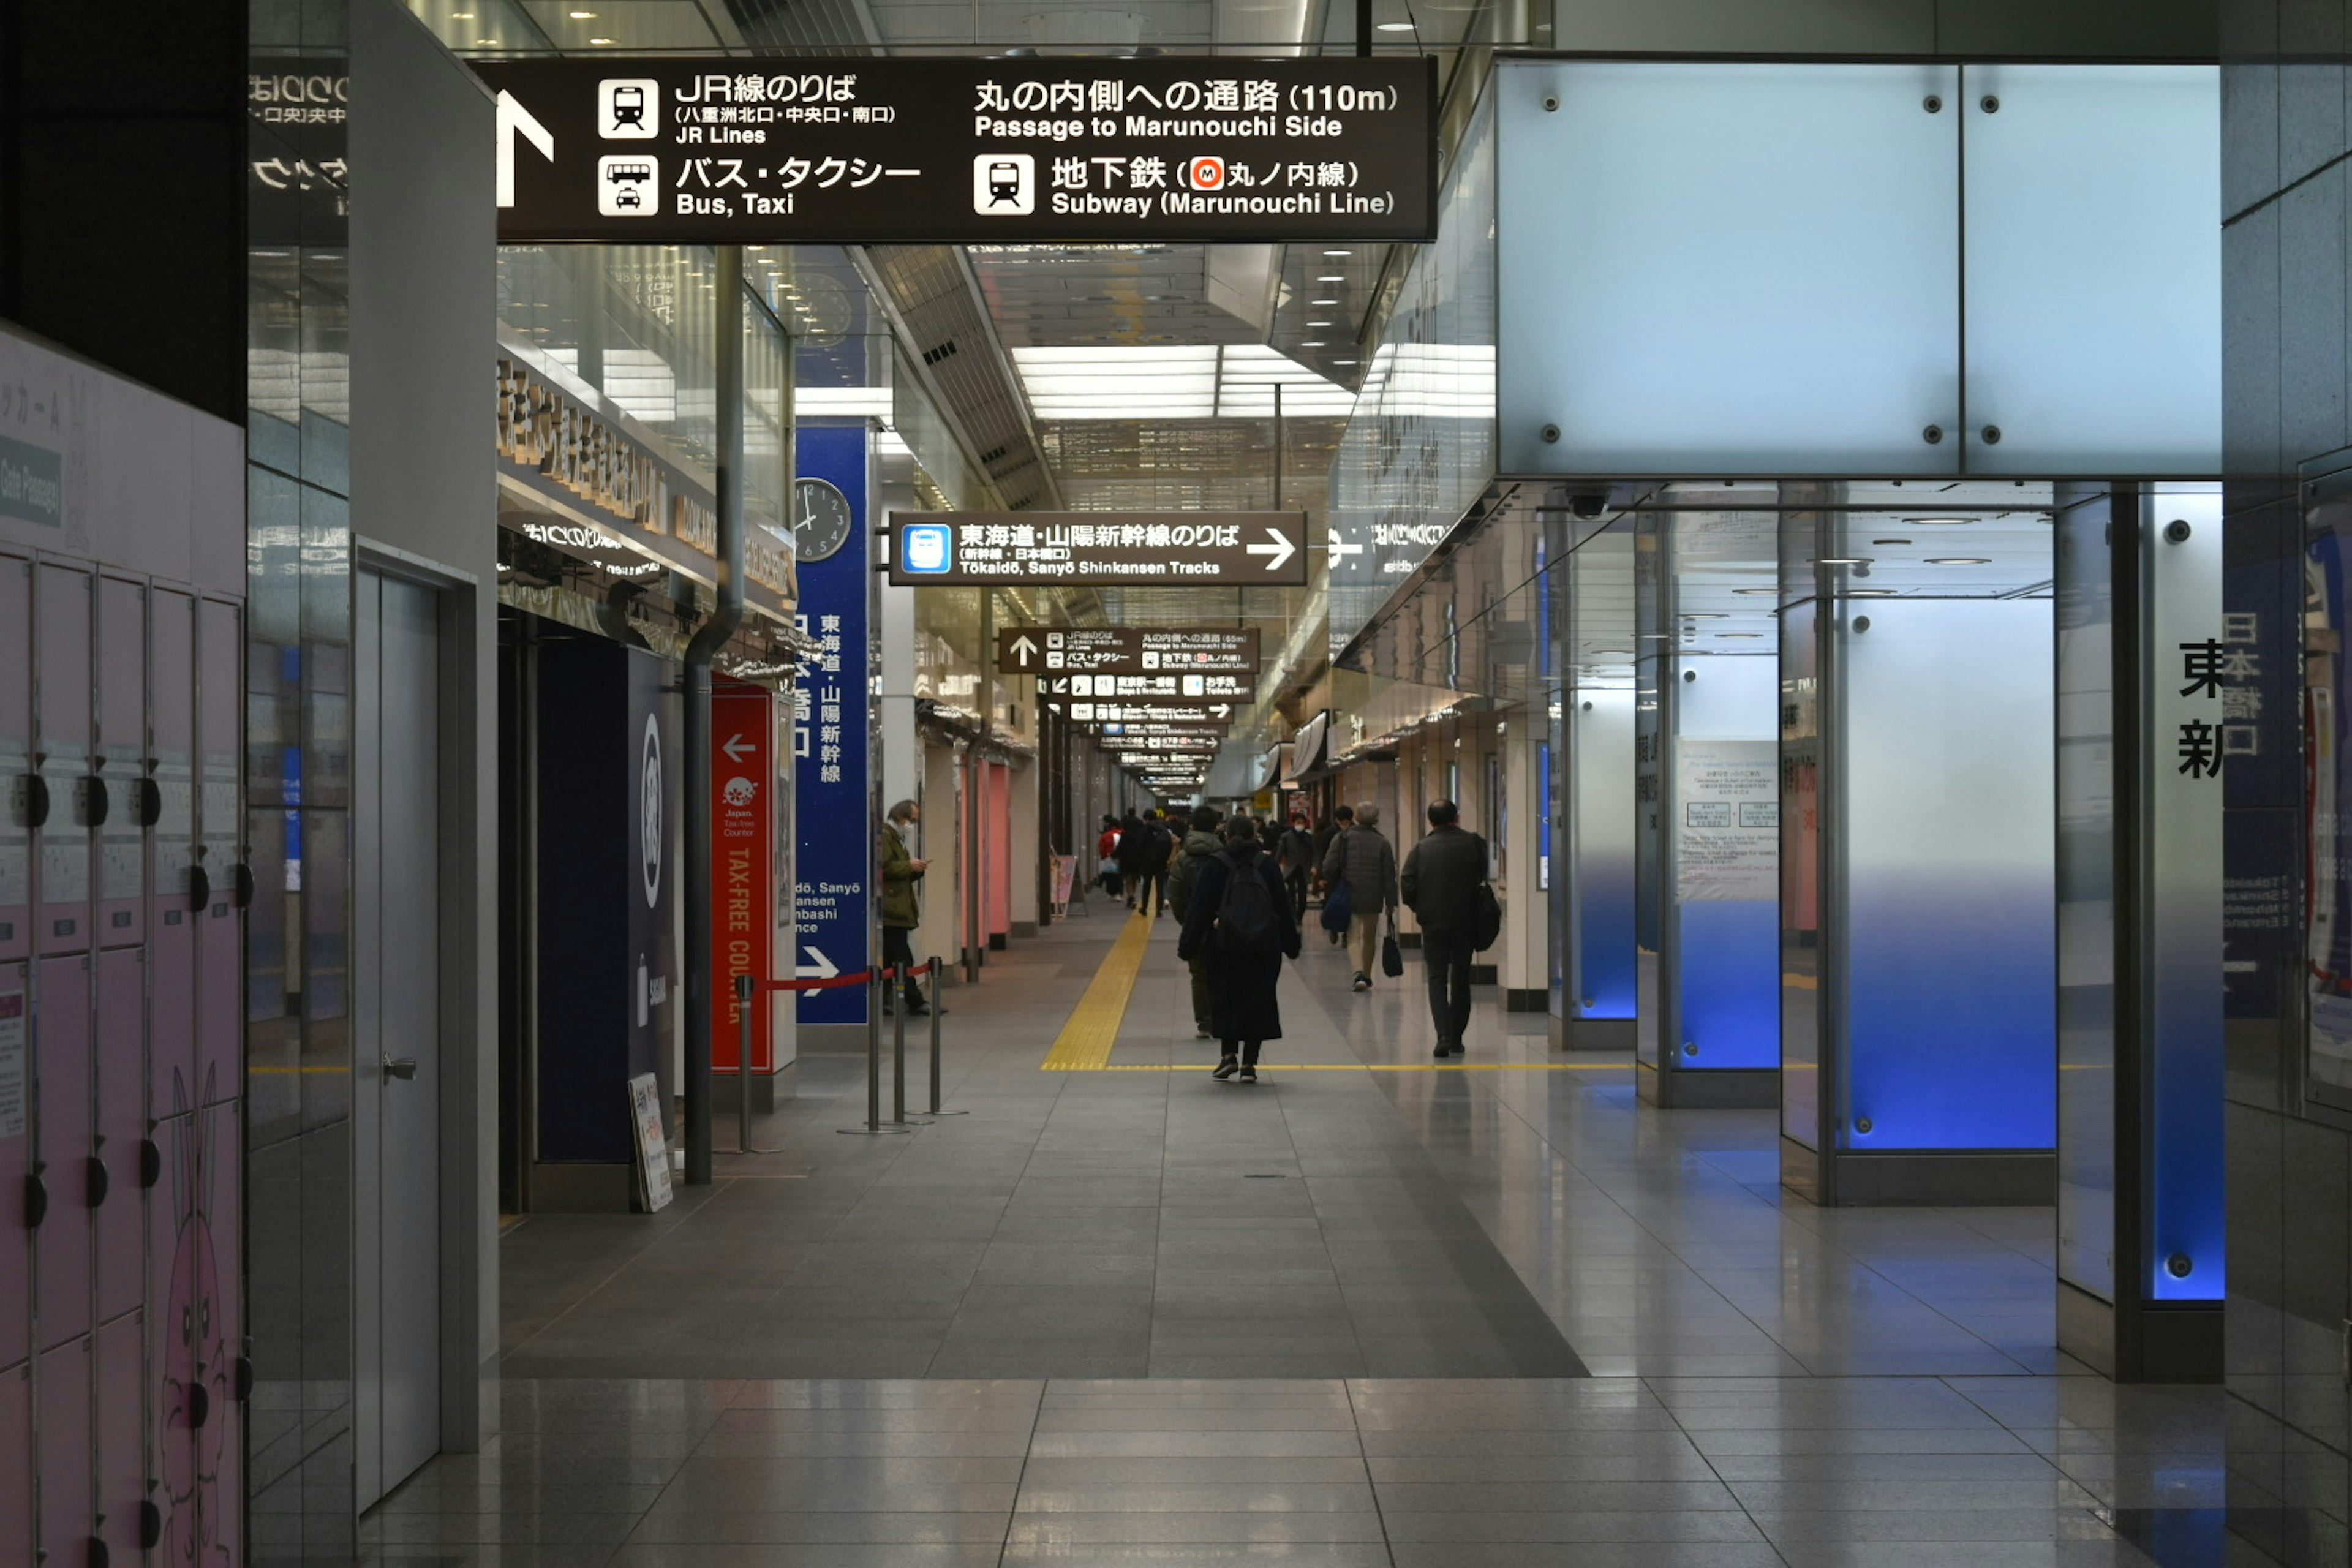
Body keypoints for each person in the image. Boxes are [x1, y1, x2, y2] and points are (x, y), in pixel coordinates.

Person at [1177, 816, 1300, 1083]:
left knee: (1225, 996)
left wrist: (1187, 945)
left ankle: (1228, 1056)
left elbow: (1199, 909)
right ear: (1254, 834)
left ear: (1228, 834)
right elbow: (1283, 906)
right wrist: (1292, 944)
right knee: (1258, 998)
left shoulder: (1216, 864)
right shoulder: (1266, 864)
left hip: (1225, 945)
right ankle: (1249, 1065)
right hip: (1264, 946)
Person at [1401, 799, 1485, 1057]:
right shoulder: (1474, 844)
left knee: (1437, 979)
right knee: (1461, 977)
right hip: (1465, 922)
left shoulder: (1420, 849)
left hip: (1433, 923)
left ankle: (1443, 1036)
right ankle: (1457, 1038)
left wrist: (1422, 910)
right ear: (1456, 817)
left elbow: (1407, 886)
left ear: (1430, 821)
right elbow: (1481, 876)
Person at [1321, 802, 1399, 993]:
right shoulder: (1383, 843)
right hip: (1374, 895)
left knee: (1353, 935)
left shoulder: (1342, 838)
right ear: (1376, 819)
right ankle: (1367, 974)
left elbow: (1328, 867)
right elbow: (1389, 875)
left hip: (1349, 892)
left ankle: (1358, 974)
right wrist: (1391, 902)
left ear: (1356, 816)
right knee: (1370, 936)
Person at [1166, 804, 1225, 1039]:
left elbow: (1176, 895)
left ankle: (1204, 1023)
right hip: (1222, 925)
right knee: (1221, 972)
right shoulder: (1224, 855)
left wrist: (1189, 922)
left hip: (1195, 924)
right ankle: (1221, 1017)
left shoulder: (1182, 857)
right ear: (1215, 828)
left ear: (1192, 826)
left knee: (1198, 975)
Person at [880, 799, 933, 1016]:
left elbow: (897, 871)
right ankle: (915, 1001)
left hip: (896, 907)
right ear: (901, 816)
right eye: (912, 820)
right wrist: (909, 865)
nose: (912, 825)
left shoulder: (896, 838)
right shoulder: (885, 836)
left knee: (891, 956)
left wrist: (915, 869)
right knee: (902, 957)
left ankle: (886, 1000)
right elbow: (884, 867)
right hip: (891, 910)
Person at [1316, 805, 1355, 945]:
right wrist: (1322, 876)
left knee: (1348, 904)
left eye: (1347, 822)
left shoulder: (1355, 832)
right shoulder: (1330, 833)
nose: (1345, 825)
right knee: (1332, 902)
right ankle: (1334, 929)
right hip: (1333, 874)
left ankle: (1346, 934)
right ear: (1337, 821)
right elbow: (1322, 854)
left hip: (1350, 874)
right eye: (1342, 822)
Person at [1275, 813, 1316, 929]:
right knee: (1291, 893)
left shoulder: (1308, 837)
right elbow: (1280, 853)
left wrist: (1314, 866)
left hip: (1304, 868)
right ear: (1293, 823)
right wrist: (1275, 866)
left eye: (1302, 823)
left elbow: (1314, 852)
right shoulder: (1286, 837)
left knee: (1303, 894)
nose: (1300, 825)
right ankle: (1293, 916)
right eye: (1298, 823)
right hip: (1291, 867)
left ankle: (1300, 915)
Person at [1136, 809, 1177, 918]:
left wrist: (1141, 860)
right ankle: (1158, 910)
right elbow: (1170, 845)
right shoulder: (1164, 829)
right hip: (1161, 862)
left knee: (1147, 886)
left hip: (1147, 862)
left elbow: (1139, 846)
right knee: (1160, 885)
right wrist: (1166, 859)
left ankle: (1144, 908)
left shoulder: (1145, 829)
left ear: (1147, 818)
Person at [1115, 810, 1148, 909]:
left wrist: (1115, 854)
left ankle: (1131, 896)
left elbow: (1120, 848)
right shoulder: (1141, 836)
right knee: (1134, 878)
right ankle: (1132, 895)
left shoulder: (1125, 835)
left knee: (1128, 879)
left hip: (1126, 860)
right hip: (1138, 860)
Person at [1097, 814, 1125, 903]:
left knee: (1110, 877)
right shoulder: (1123, 834)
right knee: (1120, 877)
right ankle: (1120, 893)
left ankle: (1112, 893)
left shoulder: (1105, 836)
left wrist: (1104, 856)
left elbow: (1102, 848)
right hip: (1121, 859)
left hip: (1109, 858)